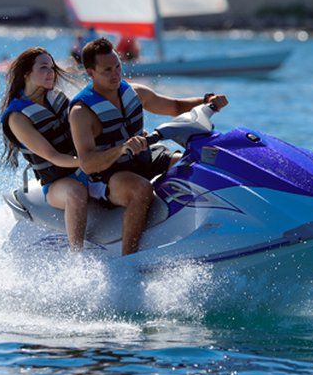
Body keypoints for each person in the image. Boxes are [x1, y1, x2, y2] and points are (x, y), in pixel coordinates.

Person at [69, 38, 228, 256]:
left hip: (143, 158)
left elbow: (174, 106)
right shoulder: (81, 112)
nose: (116, 74)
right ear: (91, 73)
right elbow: (87, 164)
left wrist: (206, 100)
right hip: (108, 174)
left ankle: (208, 227)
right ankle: (129, 258)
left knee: (191, 163)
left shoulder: (135, 92)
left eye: (118, 66)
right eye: (107, 70)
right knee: (142, 190)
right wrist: (122, 149)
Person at [0, 47, 93, 250]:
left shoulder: (57, 98)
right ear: (26, 74)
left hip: (86, 167)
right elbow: (53, 156)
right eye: (43, 68)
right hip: (58, 182)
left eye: (52, 67)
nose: (51, 73)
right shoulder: (17, 117)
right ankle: (78, 256)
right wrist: (90, 162)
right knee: (76, 193)